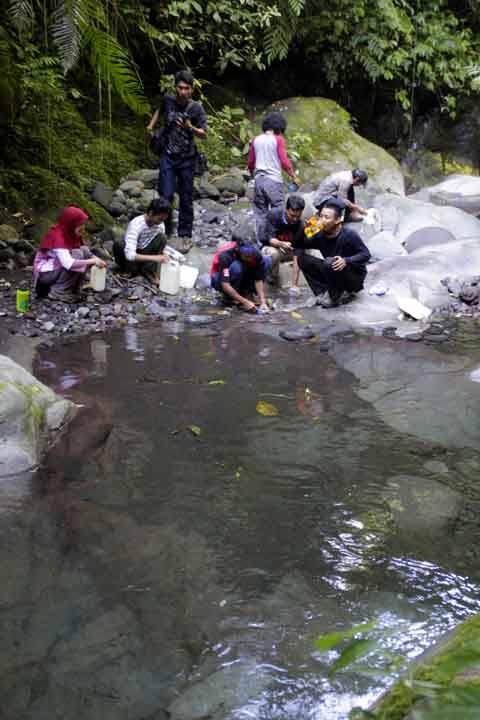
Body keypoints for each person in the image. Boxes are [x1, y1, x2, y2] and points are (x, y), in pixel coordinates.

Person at [146, 70, 207, 253]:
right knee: (166, 194)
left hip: (187, 158)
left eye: (186, 88)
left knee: (186, 197)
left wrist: (191, 127)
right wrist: (150, 126)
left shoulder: (196, 109)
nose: (182, 92)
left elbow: (204, 134)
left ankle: (185, 234)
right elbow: (159, 110)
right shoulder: (168, 101)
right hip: (167, 155)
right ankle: (164, 230)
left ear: (191, 90)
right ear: (175, 88)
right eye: (180, 88)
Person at [295, 197, 371, 308]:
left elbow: (366, 254)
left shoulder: (349, 234)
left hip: (353, 278)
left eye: (326, 217)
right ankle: (322, 293)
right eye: (321, 216)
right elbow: (298, 245)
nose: (322, 220)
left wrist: (346, 261)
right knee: (302, 259)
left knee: (329, 262)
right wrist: (304, 229)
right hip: (332, 270)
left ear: (337, 220)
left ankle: (335, 298)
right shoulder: (320, 235)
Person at [33, 206, 106, 303]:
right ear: (71, 224)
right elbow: (69, 264)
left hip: (56, 270)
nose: (83, 227)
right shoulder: (58, 237)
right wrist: (92, 261)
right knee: (77, 255)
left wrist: (95, 258)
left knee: (81, 252)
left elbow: (83, 249)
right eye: (80, 224)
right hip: (45, 275)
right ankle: (58, 292)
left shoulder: (71, 233)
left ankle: (72, 290)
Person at [248, 111, 299, 245]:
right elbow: (284, 161)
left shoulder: (255, 140)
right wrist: (293, 176)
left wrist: (252, 174)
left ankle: (261, 242)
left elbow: (251, 163)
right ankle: (280, 240)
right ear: (279, 127)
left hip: (258, 180)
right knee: (279, 211)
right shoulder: (278, 140)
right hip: (273, 181)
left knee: (260, 212)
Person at [210, 233, 271, 313]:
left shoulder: (255, 254)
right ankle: (230, 298)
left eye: (251, 255)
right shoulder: (226, 255)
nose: (250, 258)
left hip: (243, 276)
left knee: (266, 260)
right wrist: (245, 302)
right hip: (221, 280)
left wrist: (262, 301)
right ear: (238, 250)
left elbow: (258, 280)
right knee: (237, 267)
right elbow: (225, 284)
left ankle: (248, 292)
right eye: (246, 256)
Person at [113, 197, 171, 281]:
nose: (161, 222)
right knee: (119, 243)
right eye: (160, 219)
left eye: (163, 220)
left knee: (163, 238)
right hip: (133, 253)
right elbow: (130, 255)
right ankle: (128, 270)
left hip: (145, 249)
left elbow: (161, 246)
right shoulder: (136, 224)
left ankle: (148, 270)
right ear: (151, 213)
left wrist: (164, 255)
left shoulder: (160, 225)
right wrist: (156, 258)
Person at [259, 194, 305, 291]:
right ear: (286, 210)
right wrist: (281, 244)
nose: (295, 219)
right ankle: (271, 280)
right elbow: (266, 238)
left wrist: (294, 285)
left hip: (289, 250)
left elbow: (298, 251)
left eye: (298, 216)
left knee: (309, 252)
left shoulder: (300, 224)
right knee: (273, 254)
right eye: (292, 215)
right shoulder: (274, 214)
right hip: (271, 247)